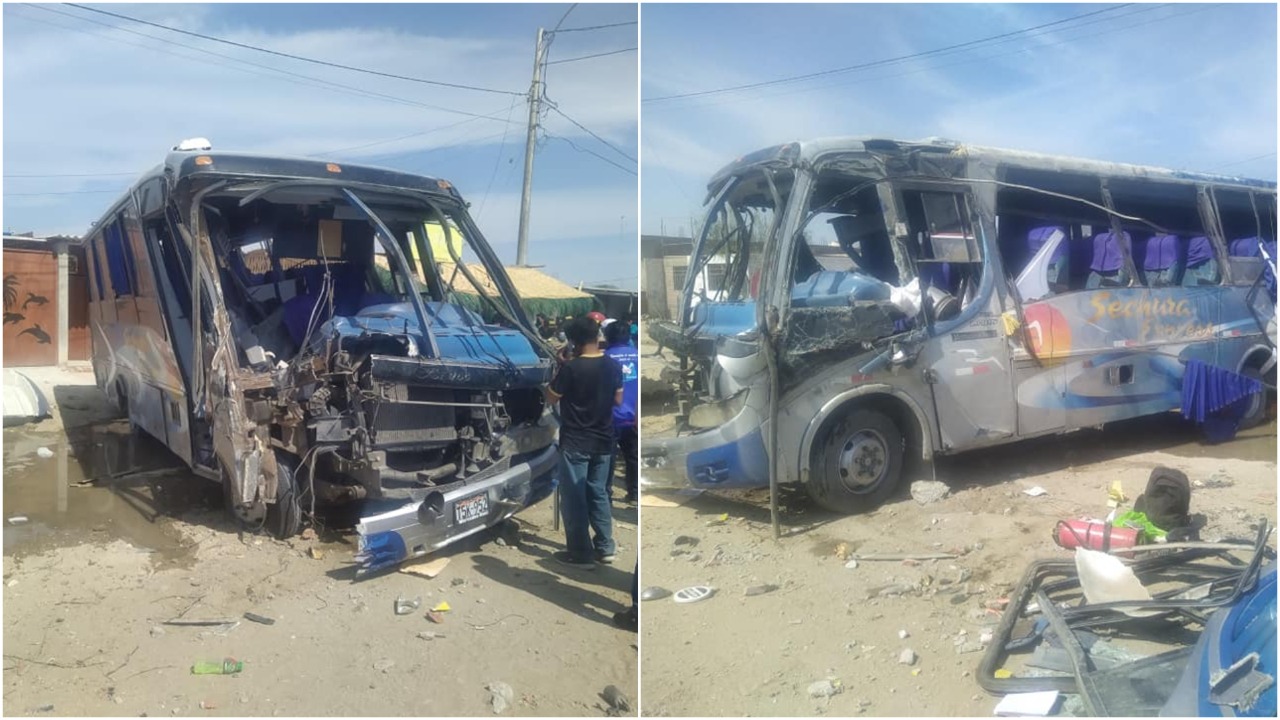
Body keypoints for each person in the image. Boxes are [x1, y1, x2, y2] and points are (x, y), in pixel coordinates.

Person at [545, 316, 623, 569]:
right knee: (599, 494)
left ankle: (580, 554)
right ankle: (605, 548)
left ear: (573, 341)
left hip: (576, 442)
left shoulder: (571, 369)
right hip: (604, 440)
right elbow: (618, 400)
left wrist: (562, 366)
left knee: (574, 499)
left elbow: (551, 398)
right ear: (597, 337)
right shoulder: (613, 365)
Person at [603, 319, 638, 505]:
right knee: (632, 456)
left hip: (610, 416)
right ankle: (634, 494)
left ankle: (606, 495)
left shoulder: (604, 359)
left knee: (608, 457)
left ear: (607, 337)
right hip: (633, 416)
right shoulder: (637, 355)